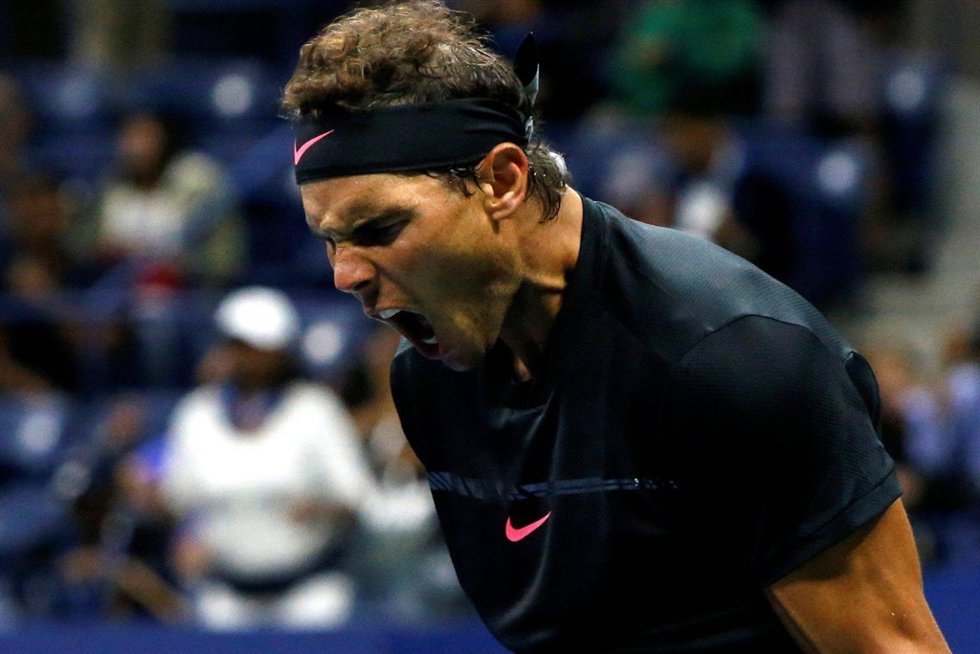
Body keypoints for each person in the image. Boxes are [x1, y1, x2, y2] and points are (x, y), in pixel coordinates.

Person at [280, 2, 950, 652]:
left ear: (504, 181)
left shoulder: (730, 354)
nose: (347, 276)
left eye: (382, 229)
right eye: (332, 241)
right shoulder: (431, 384)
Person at [159, 285, 374, 630]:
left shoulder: (315, 409)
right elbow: (177, 498)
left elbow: (358, 496)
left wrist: (320, 507)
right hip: (224, 598)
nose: (251, 358)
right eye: (242, 347)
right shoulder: (196, 412)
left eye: (263, 349)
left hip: (311, 596)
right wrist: (186, 534)